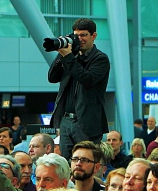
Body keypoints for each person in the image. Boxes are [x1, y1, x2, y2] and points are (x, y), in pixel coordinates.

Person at [47, 17, 110, 161]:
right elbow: (52, 77)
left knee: (85, 161)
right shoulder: (71, 56)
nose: (79, 39)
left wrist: (68, 56)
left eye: (83, 35)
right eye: (76, 35)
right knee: (67, 162)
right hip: (66, 120)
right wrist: (62, 53)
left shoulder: (100, 59)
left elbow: (87, 79)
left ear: (93, 36)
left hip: (86, 122)